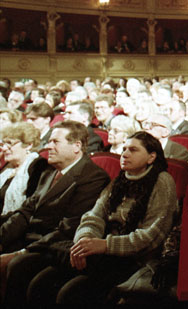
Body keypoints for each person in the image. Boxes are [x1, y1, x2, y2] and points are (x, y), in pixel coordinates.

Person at [6, 131, 177, 305]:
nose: (125, 154)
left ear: (151, 157)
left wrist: (104, 245)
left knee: (70, 293)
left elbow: (151, 236)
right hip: (102, 253)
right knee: (39, 282)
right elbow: (94, 216)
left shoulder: (162, 182)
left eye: (133, 150)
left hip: (133, 261)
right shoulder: (120, 180)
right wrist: (84, 240)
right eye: (124, 149)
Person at [0, 121, 110, 276]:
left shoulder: (93, 177)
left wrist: (21, 252)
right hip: (29, 240)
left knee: (16, 265)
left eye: (55, 142)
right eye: (49, 141)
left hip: (51, 247)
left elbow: (68, 228)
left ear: (76, 146)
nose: (48, 146)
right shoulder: (49, 171)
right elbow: (25, 212)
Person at [0, 123, 45, 214]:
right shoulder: (7, 167)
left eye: (10, 143)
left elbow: (31, 207)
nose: (4, 148)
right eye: (2, 144)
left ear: (28, 145)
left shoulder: (37, 166)